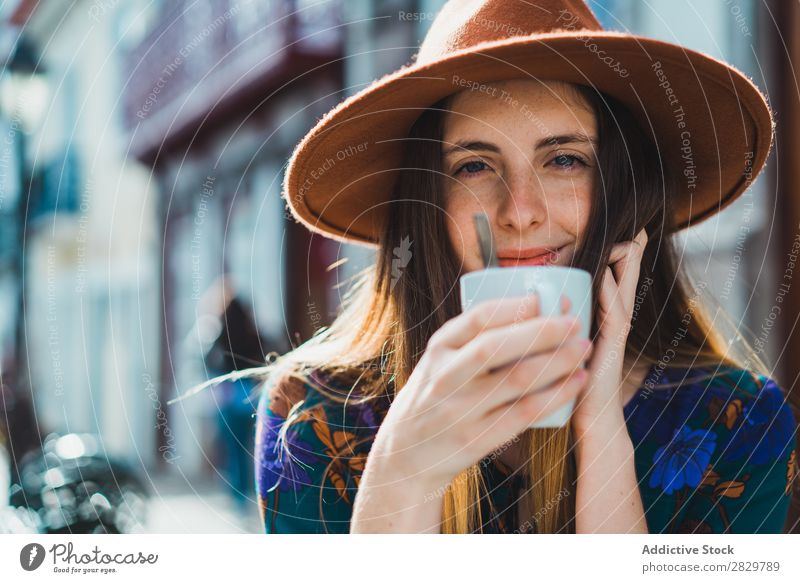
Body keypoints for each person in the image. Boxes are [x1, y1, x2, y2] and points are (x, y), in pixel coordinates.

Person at [253, 0, 798, 533]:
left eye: (564, 160)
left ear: (625, 190)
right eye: (473, 165)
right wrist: (404, 469)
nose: (519, 212)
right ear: (425, 201)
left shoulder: (737, 421)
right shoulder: (315, 414)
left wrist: (599, 422)